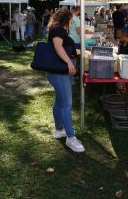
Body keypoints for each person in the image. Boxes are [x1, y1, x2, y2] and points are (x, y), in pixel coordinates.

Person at [47, 9, 85, 153]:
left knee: (60, 101)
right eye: (71, 20)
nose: (72, 22)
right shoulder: (57, 29)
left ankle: (59, 130)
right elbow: (57, 47)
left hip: (59, 72)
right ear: (67, 20)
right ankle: (71, 137)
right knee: (66, 104)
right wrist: (70, 63)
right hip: (59, 72)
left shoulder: (58, 29)